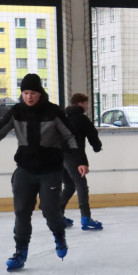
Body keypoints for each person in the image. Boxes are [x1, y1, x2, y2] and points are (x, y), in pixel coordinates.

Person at [0, 74, 82, 271]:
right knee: (22, 212)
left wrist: (81, 161)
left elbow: (70, 136)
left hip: (50, 170)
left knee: (50, 210)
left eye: (32, 93)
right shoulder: (16, 112)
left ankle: (59, 235)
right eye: (25, 93)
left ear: (40, 93)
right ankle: (20, 251)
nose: (29, 97)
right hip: (25, 170)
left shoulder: (53, 111)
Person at [60, 93, 104, 230]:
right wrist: (97, 147)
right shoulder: (81, 118)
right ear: (80, 103)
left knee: (69, 185)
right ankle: (86, 218)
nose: (87, 106)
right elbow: (92, 135)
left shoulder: (63, 117)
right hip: (74, 157)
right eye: (86, 103)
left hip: (58, 156)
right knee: (81, 185)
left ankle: (57, 216)